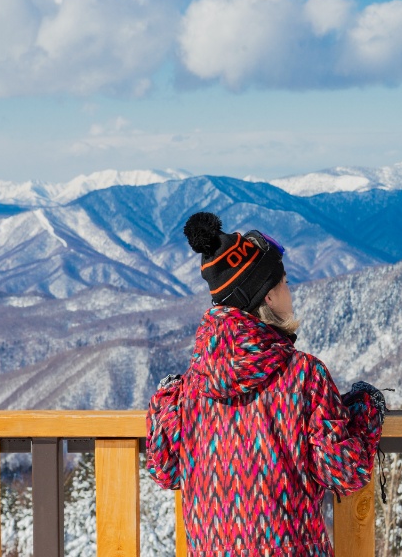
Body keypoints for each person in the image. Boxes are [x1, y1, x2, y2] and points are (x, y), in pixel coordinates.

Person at [146, 211, 385, 556]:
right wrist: (366, 409)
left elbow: (164, 469)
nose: (290, 290)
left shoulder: (192, 386)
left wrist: (166, 397)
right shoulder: (303, 375)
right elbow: (345, 471)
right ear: (267, 297)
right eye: (284, 282)